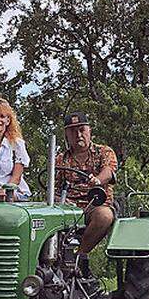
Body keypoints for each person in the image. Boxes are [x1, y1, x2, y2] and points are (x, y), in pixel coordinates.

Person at [54, 113, 118, 274]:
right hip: (68, 207)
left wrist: (97, 180)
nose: (78, 135)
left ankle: (78, 257)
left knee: (104, 216)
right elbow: (53, 188)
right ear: (67, 135)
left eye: (82, 130)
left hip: (94, 205)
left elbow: (109, 171)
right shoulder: (61, 159)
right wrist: (58, 200)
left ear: (89, 131)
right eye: (72, 131)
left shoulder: (104, 151)